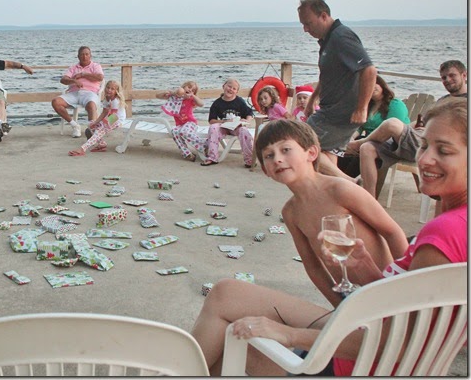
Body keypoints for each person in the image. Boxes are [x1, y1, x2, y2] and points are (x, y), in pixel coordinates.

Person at [190, 97, 466, 375]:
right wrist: (358, 284)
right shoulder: (455, 225)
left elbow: (397, 340)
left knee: (231, 337)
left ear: (312, 153)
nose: (424, 158)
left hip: (361, 358)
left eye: (444, 150)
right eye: (423, 146)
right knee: (226, 296)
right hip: (365, 309)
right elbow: (322, 271)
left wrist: (289, 334)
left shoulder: (440, 234)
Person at [256, 119, 408, 304]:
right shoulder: (291, 212)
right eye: (269, 155)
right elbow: (313, 267)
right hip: (353, 300)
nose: (277, 159)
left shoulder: (340, 190)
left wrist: (406, 281)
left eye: (285, 149)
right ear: (265, 170)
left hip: (387, 287)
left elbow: (392, 232)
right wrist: (339, 306)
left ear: (311, 153)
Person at [346, 60, 467, 198]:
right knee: (367, 148)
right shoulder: (443, 100)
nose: (447, 80)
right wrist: (404, 129)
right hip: (416, 137)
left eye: (452, 75)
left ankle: (356, 144)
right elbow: (421, 122)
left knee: (392, 124)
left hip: (428, 145)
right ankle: (370, 200)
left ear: (464, 75)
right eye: (444, 77)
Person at [297, 0, 378, 176]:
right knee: (327, 154)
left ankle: (350, 183)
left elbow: (369, 70)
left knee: (299, 143)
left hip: (339, 113)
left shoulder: (341, 37)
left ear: (323, 16)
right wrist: (312, 99)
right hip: (330, 108)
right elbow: (327, 74)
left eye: (308, 23)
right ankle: (333, 190)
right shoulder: (328, 40)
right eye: (303, 25)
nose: (306, 29)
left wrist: (362, 108)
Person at [333, 75, 409, 181]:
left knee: (360, 152)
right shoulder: (367, 105)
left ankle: (345, 181)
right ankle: (337, 179)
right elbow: (359, 127)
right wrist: (351, 138)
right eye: (366, 86)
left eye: (374, 84)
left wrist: (359, 143)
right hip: (367, 141)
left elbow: (391, 130)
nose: (371, 87)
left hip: (390, 144)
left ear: (381, 85)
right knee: (342, 148)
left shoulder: (395, 104)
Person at [52, 46, 105, 138]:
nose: (84, 57)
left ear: (90, 55)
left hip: (90, 93)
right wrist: (73, 81)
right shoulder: (73, 68)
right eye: (82, 54)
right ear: (78, 56)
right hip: (74, 93)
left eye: (87, 54)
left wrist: (83, 74)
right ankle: (75, 125)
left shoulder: (95, 66)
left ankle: (91, 130)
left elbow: (100, 77)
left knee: (91, 105)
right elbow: (63, 80)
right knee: (55, 102)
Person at [201, 79, 254, 167]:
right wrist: (223, 121)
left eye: (234, 88)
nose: (231, 89)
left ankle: (249, 160)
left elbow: (250, 113)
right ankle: (212, 157)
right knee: (213, 128)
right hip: (224, 126)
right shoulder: (217, 103)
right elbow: (211, 120)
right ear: (223, 86)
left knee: (244, 131)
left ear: (236, 92)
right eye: (229, 86)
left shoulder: (239, 101)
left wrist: (247, 120)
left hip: (236, 127)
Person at [68, 80, 125, 156]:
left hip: (117, 119)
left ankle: (83, 148)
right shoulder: (107, 99)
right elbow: (104, 112)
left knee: (100, 129)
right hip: (110, 117)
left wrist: (103, 123)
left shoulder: (115, 101)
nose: (109, 90)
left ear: (116, 91)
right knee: (92, 125)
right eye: (108, 87)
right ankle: (102, 144)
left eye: (112, 89)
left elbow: (114, 115)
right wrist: (95, 122)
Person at [157, 81, 205, 161]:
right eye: (189, 87)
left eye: (193, 90)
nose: (190, 90)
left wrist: (193, 96)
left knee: (183, 131)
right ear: (183, 87)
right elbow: (158, 96)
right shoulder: (175, 98)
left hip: (190, 122)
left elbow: (201, 104)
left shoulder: (191, 99)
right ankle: (187, 153)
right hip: (180, 124)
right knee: (174, 132)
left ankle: (204, 146)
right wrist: (169, 93)